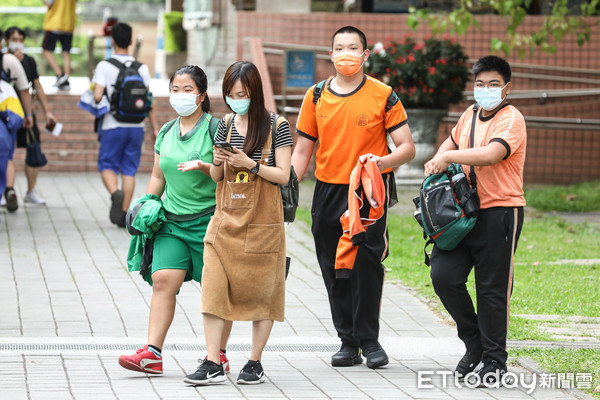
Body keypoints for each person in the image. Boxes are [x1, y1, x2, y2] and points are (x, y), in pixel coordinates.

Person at [292, 26, 415, 369]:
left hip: (367, 194)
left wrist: (382, 162)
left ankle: (370, 341)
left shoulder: (383, 95)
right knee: (334, 269)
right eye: (339, 48)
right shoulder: (315, 96)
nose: (346, 54)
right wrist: (285, 185)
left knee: (366, 267)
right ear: (331, 54)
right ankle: (347, 341)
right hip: (327, 192)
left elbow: (407, 148)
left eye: (353, 48)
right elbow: (303, 150)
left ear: (365, 55)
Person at [183, 61, 293, 386]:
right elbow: (219, 177)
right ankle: (212, 360)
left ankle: (254, 362)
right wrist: (210, 163)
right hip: (224, 223)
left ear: (255, 93)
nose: (235, 100)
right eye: (230, 95)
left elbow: (283, 176)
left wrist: (251, 164)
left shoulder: (278, 125)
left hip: (263, 226)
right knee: (213, 290)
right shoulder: (226, 124)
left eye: (241, 94)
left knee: (263, 295)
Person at [118, 65, 233, 375]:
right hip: (172, 222)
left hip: (211, 222)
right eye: (175, 90)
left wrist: (202, 167)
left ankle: (218, 354)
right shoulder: (167, 131)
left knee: (217, 289)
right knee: (162, 280)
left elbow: (228, 176)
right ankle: (152, 353)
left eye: (187, 90)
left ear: (202, 96)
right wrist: (146, 203)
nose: (180, 96)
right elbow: (158, 174)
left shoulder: (217, 128)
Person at [424, 55, 526, 385]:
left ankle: (495, 361)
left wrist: (449, 157)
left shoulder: (512, 119)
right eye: (480, 84)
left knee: (492, 291)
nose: (485, 90)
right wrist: (439, 156)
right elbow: (452, 142)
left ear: (506, 89)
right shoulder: (469, 115)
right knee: (443, 276)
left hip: (500, 213)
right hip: (461, 212)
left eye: (493, 85)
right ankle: (475, 345)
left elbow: (491, 154)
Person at [92, 22, 159, 227]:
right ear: (131, 41)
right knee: (129, 170)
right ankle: (123, 215)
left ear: (112, 41)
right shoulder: (142, 68)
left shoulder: (105, 66)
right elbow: (149, 101)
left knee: (107, 165)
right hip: (136, 127)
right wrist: (155, 128)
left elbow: (96, 97)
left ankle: (115, 193)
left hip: (113, 124)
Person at [5, 26, 58, 206]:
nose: (17, 42)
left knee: (34, 150)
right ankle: (6, 190)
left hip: (27, 113)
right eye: (13, 38)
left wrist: (47, 111)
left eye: (20, 39)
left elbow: (36, 86)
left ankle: (30, 191)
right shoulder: (3, 59)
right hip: (6, 114)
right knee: (5, 153)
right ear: (6, 41)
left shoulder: (29, 61)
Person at [0, 29, 34, 212]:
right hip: (8, 116)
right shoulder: (9, 61)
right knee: (7, 157)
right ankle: (10, 189)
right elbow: (24, 89)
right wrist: (28, 115)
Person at [0, 77, 25, 218]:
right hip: (2, 135)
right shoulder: (5, 88)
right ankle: (8, 189)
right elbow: (16, 118)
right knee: (6, 161)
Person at [42, 0, 77, 90]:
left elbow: (49, 4)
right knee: (66, 52)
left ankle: (60, 75)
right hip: (69, 23)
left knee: (46, 50)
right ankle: (66, 78)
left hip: (55, 23)